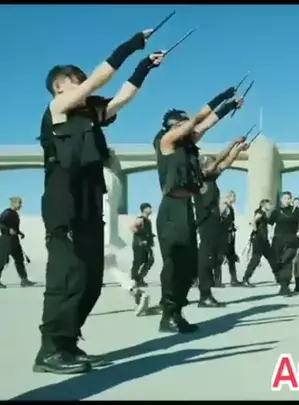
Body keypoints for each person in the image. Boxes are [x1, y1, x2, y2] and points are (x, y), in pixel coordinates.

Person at [36, 28, 164, 374]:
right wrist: (131, 45)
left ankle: (66, 344)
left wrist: (144, 67)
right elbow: (97, 80)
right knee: (68, 275)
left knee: (91, 278)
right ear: (59, 86)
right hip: (64, 201)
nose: (83, 84)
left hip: (91, 200)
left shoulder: (90, 114)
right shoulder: (58, 108)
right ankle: (50, 350)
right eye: (75, 80)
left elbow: (121, 99)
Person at [154, 88, 244, 333]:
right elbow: (198, 119)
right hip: (171, 208)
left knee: (189, 264)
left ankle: (176, 311)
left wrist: (229, 105)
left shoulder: (188, 143)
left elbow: (207, 123)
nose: (188, 126)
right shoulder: (166, 142)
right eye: (182, 123)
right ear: (173, 126)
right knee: (174, 263)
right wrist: (222, 97)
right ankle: (168, 314)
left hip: (186, 208)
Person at [194, 138, 250, 307]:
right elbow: (220, 159)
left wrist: (238, 148)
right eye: (210, 163)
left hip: (214, 221)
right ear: (204, 166)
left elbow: (226, 162)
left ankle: (203, 287)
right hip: (206, 221)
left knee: (216, 256)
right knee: (206, 257)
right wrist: (233, 142)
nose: (215, 165)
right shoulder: (199, 178)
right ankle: (204, 292)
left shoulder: (211, 178)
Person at [267, 192, 299, 295]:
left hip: (291, 239)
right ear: (281, 200)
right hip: (278, 239)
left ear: (291, 200)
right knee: (277, 262)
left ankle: (285, 285)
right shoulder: (276, 212)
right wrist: (270, 234)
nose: (287, 200)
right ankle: (283, 286)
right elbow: (270, 223)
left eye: (288, 198)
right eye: (285, 198)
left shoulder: (296, 211)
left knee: (287, 260)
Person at [0, 197, 34, 288]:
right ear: (13, 203)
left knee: (19, 259)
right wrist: (8, 230)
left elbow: (14, 228)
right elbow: (1, 224)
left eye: (21, 203)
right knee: (2, 261)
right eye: (19, 203)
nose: (20, 205)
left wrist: (20, 233)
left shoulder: (15, 213)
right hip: (6, 240)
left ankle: (24, 280)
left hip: (14, 240)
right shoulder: (7, 213)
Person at [241, 199, 275, 286]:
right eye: (269, 204)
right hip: (259, 239)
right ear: (264, 205)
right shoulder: (260, 212)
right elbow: (253, 221)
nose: (270, 206)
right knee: (255, 259)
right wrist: (256, 231)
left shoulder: (264, 213)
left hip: (264, 240)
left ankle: (279, 277)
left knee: (272, 258)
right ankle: (246, 278)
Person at [129, 203, 155, 288]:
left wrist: (149, 237)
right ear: (144, 209)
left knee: (150, 260)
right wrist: (142, 234)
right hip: (139, 244)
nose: (151, 209)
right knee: (138, 261)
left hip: (146, 245)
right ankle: (134, 279)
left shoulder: (147, 221)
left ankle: (140, 278)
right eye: (149, 208)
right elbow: (133, 228)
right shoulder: (140, 219)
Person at [220, 191, 241, 286]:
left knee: (231, 257)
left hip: (230, 234)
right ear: (229, 197)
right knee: (221, 257)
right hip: (225, 235)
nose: (235, 198)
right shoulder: (225, 207)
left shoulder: (230, 207)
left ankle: (234, 279)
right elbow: (221, 220)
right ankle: (217, 280)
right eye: (233, 196)